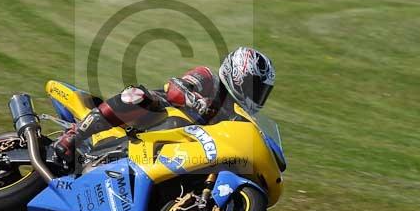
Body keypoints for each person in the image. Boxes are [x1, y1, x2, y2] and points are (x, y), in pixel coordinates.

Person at [53, 47, 275, 163]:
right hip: (153, 119)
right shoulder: (209, 78)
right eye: (254, 87)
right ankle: (74, 134)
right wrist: (197, 103)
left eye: (262, 92)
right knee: (136, 95)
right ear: (237, 75)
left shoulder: (234, 115)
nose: (256, 96)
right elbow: (175, 88)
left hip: (179, 148)